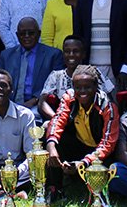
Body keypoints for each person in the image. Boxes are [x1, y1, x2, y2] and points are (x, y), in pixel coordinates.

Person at [45, 65, 120, 193]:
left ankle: (92, 186)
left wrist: (84, 162)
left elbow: (108, 144)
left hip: (100, 154)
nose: (82, 91)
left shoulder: (107, 106)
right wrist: (51, 147)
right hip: (78, 145)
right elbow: (58, 120)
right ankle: (54, 188)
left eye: (87, 87)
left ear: (96, 87)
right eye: (78, 87)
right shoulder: (69, 97)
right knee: (48, 131)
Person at [39, 36, 114, 121]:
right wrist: (57, 120)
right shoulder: (56, 76)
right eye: (67, 51)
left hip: (92, 123)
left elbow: (110, 101)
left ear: (83, 54)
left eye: (76, 51)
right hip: (64, 123)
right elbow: (42, 103)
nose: (71, 55)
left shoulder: (94, 73)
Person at [0, 17, 64, 109]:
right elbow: (0, 83)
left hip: (39, 106)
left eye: (31, 33)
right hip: (10, 105)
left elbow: (56, 84)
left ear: (39, 34)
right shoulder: (6, 56)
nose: (26, 36)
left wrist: (35, 100)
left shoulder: (53, 55)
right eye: (22, 33)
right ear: (17, 35)